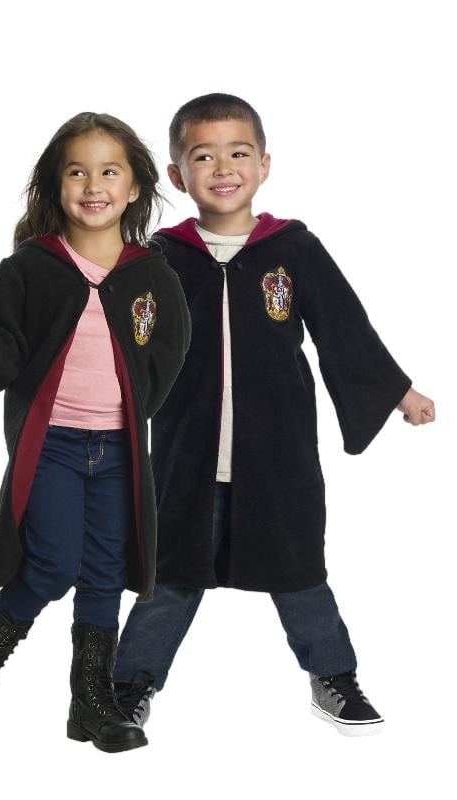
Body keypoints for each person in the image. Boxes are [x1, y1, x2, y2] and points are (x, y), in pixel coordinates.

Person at [112, 93, 435, 737]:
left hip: (278, 452)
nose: (223, 168)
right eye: (203, 156)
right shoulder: (161, 257)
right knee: (170, 574)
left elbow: (343, 326)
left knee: (299, 571)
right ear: (177, 174)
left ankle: (333, 677)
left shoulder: (292, 248)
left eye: (238, 153)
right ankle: (129, 684)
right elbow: (123, 338)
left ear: (264, 165)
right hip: (185, 452)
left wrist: (397, 391)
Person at [0, 112, 191, 752]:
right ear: (56, 185)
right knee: (49, 563)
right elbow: (3, 346)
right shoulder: (32, 267)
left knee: (105, 569)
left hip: (120, 447)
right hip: (53, 444)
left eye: (110, 172)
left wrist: (136, 409)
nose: (93, 185)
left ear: (134, 187)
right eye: (77, 172)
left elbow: (169, 350)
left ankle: (92, 704)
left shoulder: (150, 274)